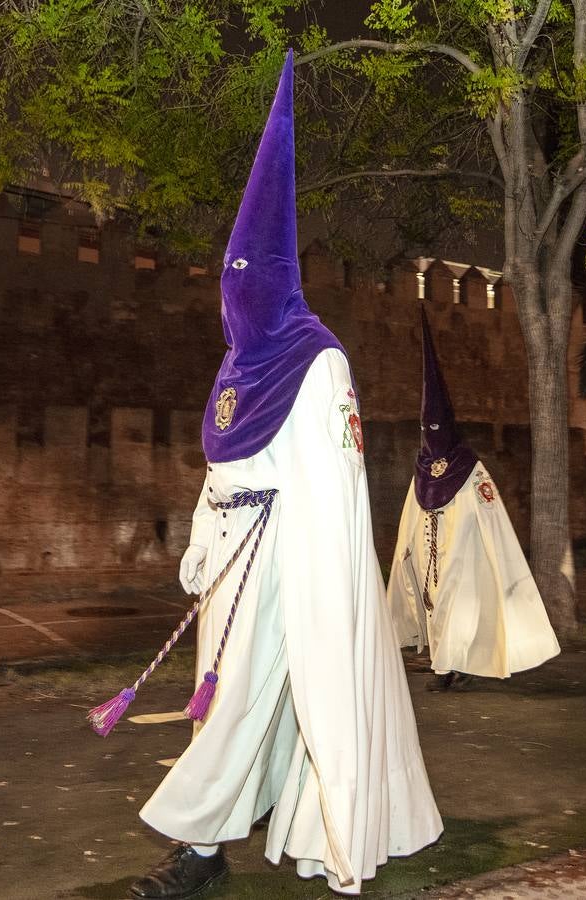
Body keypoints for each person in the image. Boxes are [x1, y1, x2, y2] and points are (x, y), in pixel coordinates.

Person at [127, 52, 443, 897]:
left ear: (272, 282)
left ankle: (218, 850)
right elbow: (217, 469)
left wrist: (321, 590)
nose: (232, 300)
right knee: (223, 702)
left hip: (289, 562)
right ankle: (216, 839)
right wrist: (201, 549)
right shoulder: (237, 365)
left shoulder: (316, 360)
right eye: (226, 283)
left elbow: (336, 485)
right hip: (231, 564)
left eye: (244, 282)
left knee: (259, 704)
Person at [387, 309, 561, 691]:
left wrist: (472, 541)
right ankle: (446, 665)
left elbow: (490, 516)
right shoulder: (422, 466)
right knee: (437, 608)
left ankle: (449, 668)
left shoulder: (471, 468)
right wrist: (408, 551)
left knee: (456, 606)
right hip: (432, 554)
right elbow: (411, 512)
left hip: (463, 554)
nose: (429, 435)